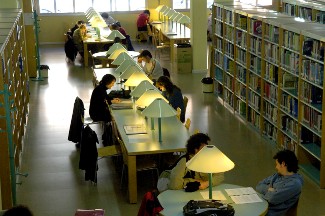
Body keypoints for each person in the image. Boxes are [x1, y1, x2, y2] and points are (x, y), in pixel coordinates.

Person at [256, 150, 303, 216]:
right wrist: (270, 190)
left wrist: (270, 192)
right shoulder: (277, 175)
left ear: (283, 164)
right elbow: (259, 186)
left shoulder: (294, 184)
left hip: (271, 213)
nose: (276, 167)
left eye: (277, 164)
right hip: (262, 206)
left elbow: (272, 198)